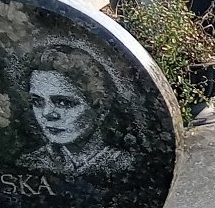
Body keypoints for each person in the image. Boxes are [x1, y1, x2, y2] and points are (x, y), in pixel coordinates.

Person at [15, 42, 134, 176]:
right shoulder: (30, 164)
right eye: (37, 101)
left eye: (63, 102)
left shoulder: (124, 165)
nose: (46, 113)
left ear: (100, 107)